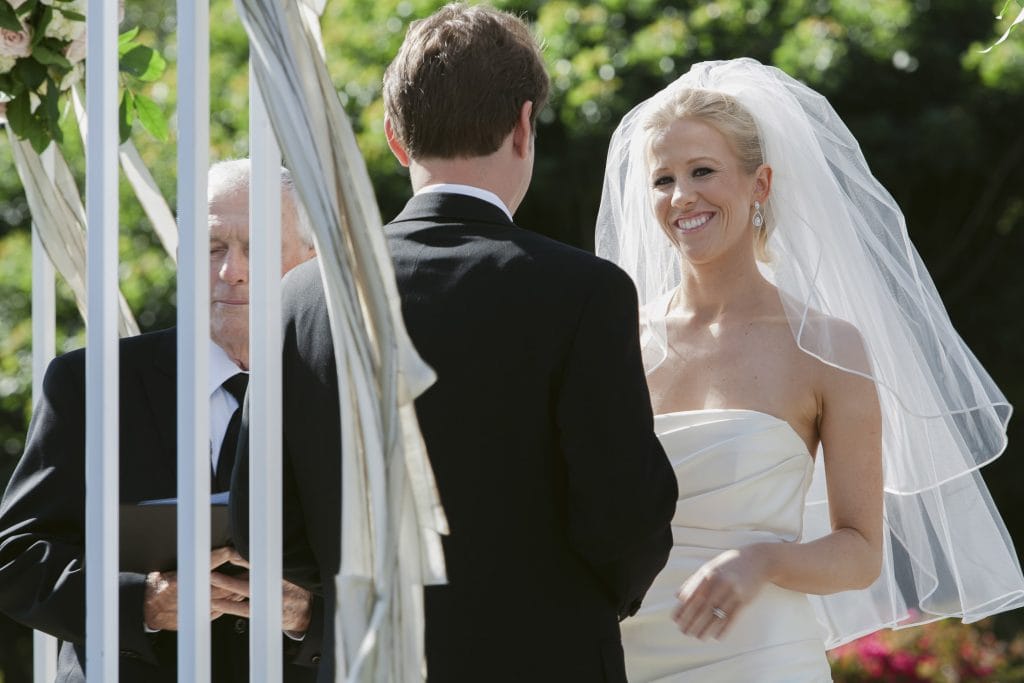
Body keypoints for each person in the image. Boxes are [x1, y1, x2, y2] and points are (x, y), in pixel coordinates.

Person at [229, 4, 678, 681]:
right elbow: (625, 520)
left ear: (395, 138)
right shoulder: (585, 292)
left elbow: (260, 521)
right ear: (525, 125)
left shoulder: (301, 299)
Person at [595, 57, 1023, 681]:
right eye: (663, 179)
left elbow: (860, 552)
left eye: (703, 171)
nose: (681, 196)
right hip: (626, 655)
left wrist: (761, 561)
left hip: (761, 657)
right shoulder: (616, 343)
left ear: (759, 184)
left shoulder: (830, 348)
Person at [0, 159, 321, 682]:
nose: (230, 271)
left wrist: (307, 615)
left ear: (310, 260)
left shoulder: (351, 395)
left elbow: (409, 574)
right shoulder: (91, 383)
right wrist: (141, 603)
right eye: (212, 248)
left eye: (256, 249)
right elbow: (14, 558)